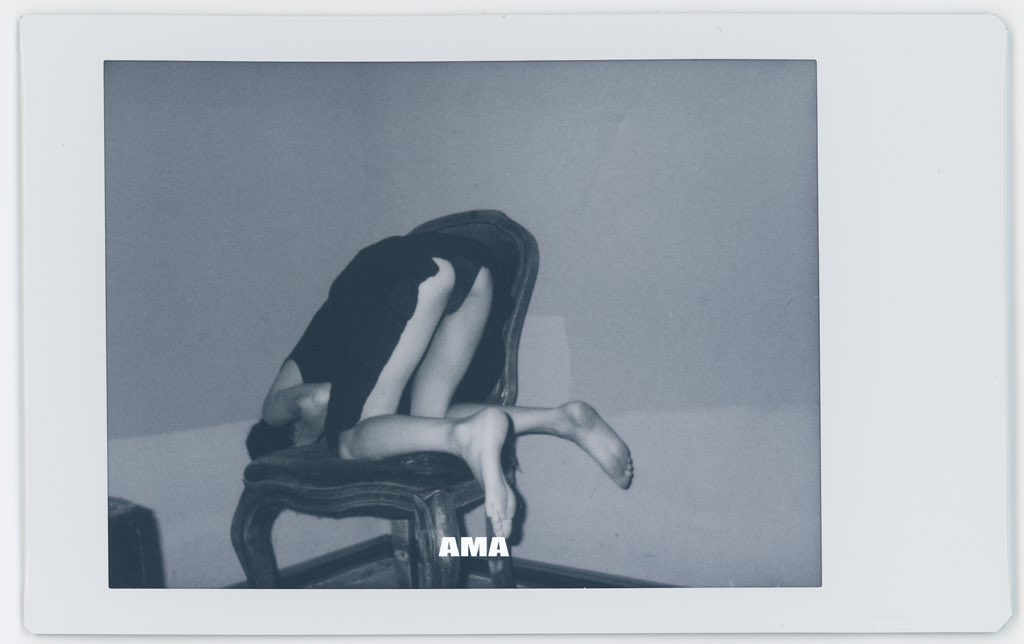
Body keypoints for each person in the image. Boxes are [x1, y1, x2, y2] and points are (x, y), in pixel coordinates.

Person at [247, 227, 633, 538]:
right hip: (470, 270)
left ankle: (466, 436)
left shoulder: (273, 410)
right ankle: (562, 419)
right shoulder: (363, 360)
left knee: (349, 443)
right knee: (425, 421)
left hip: (407, 274)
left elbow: (317, 400)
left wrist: (306, 444)